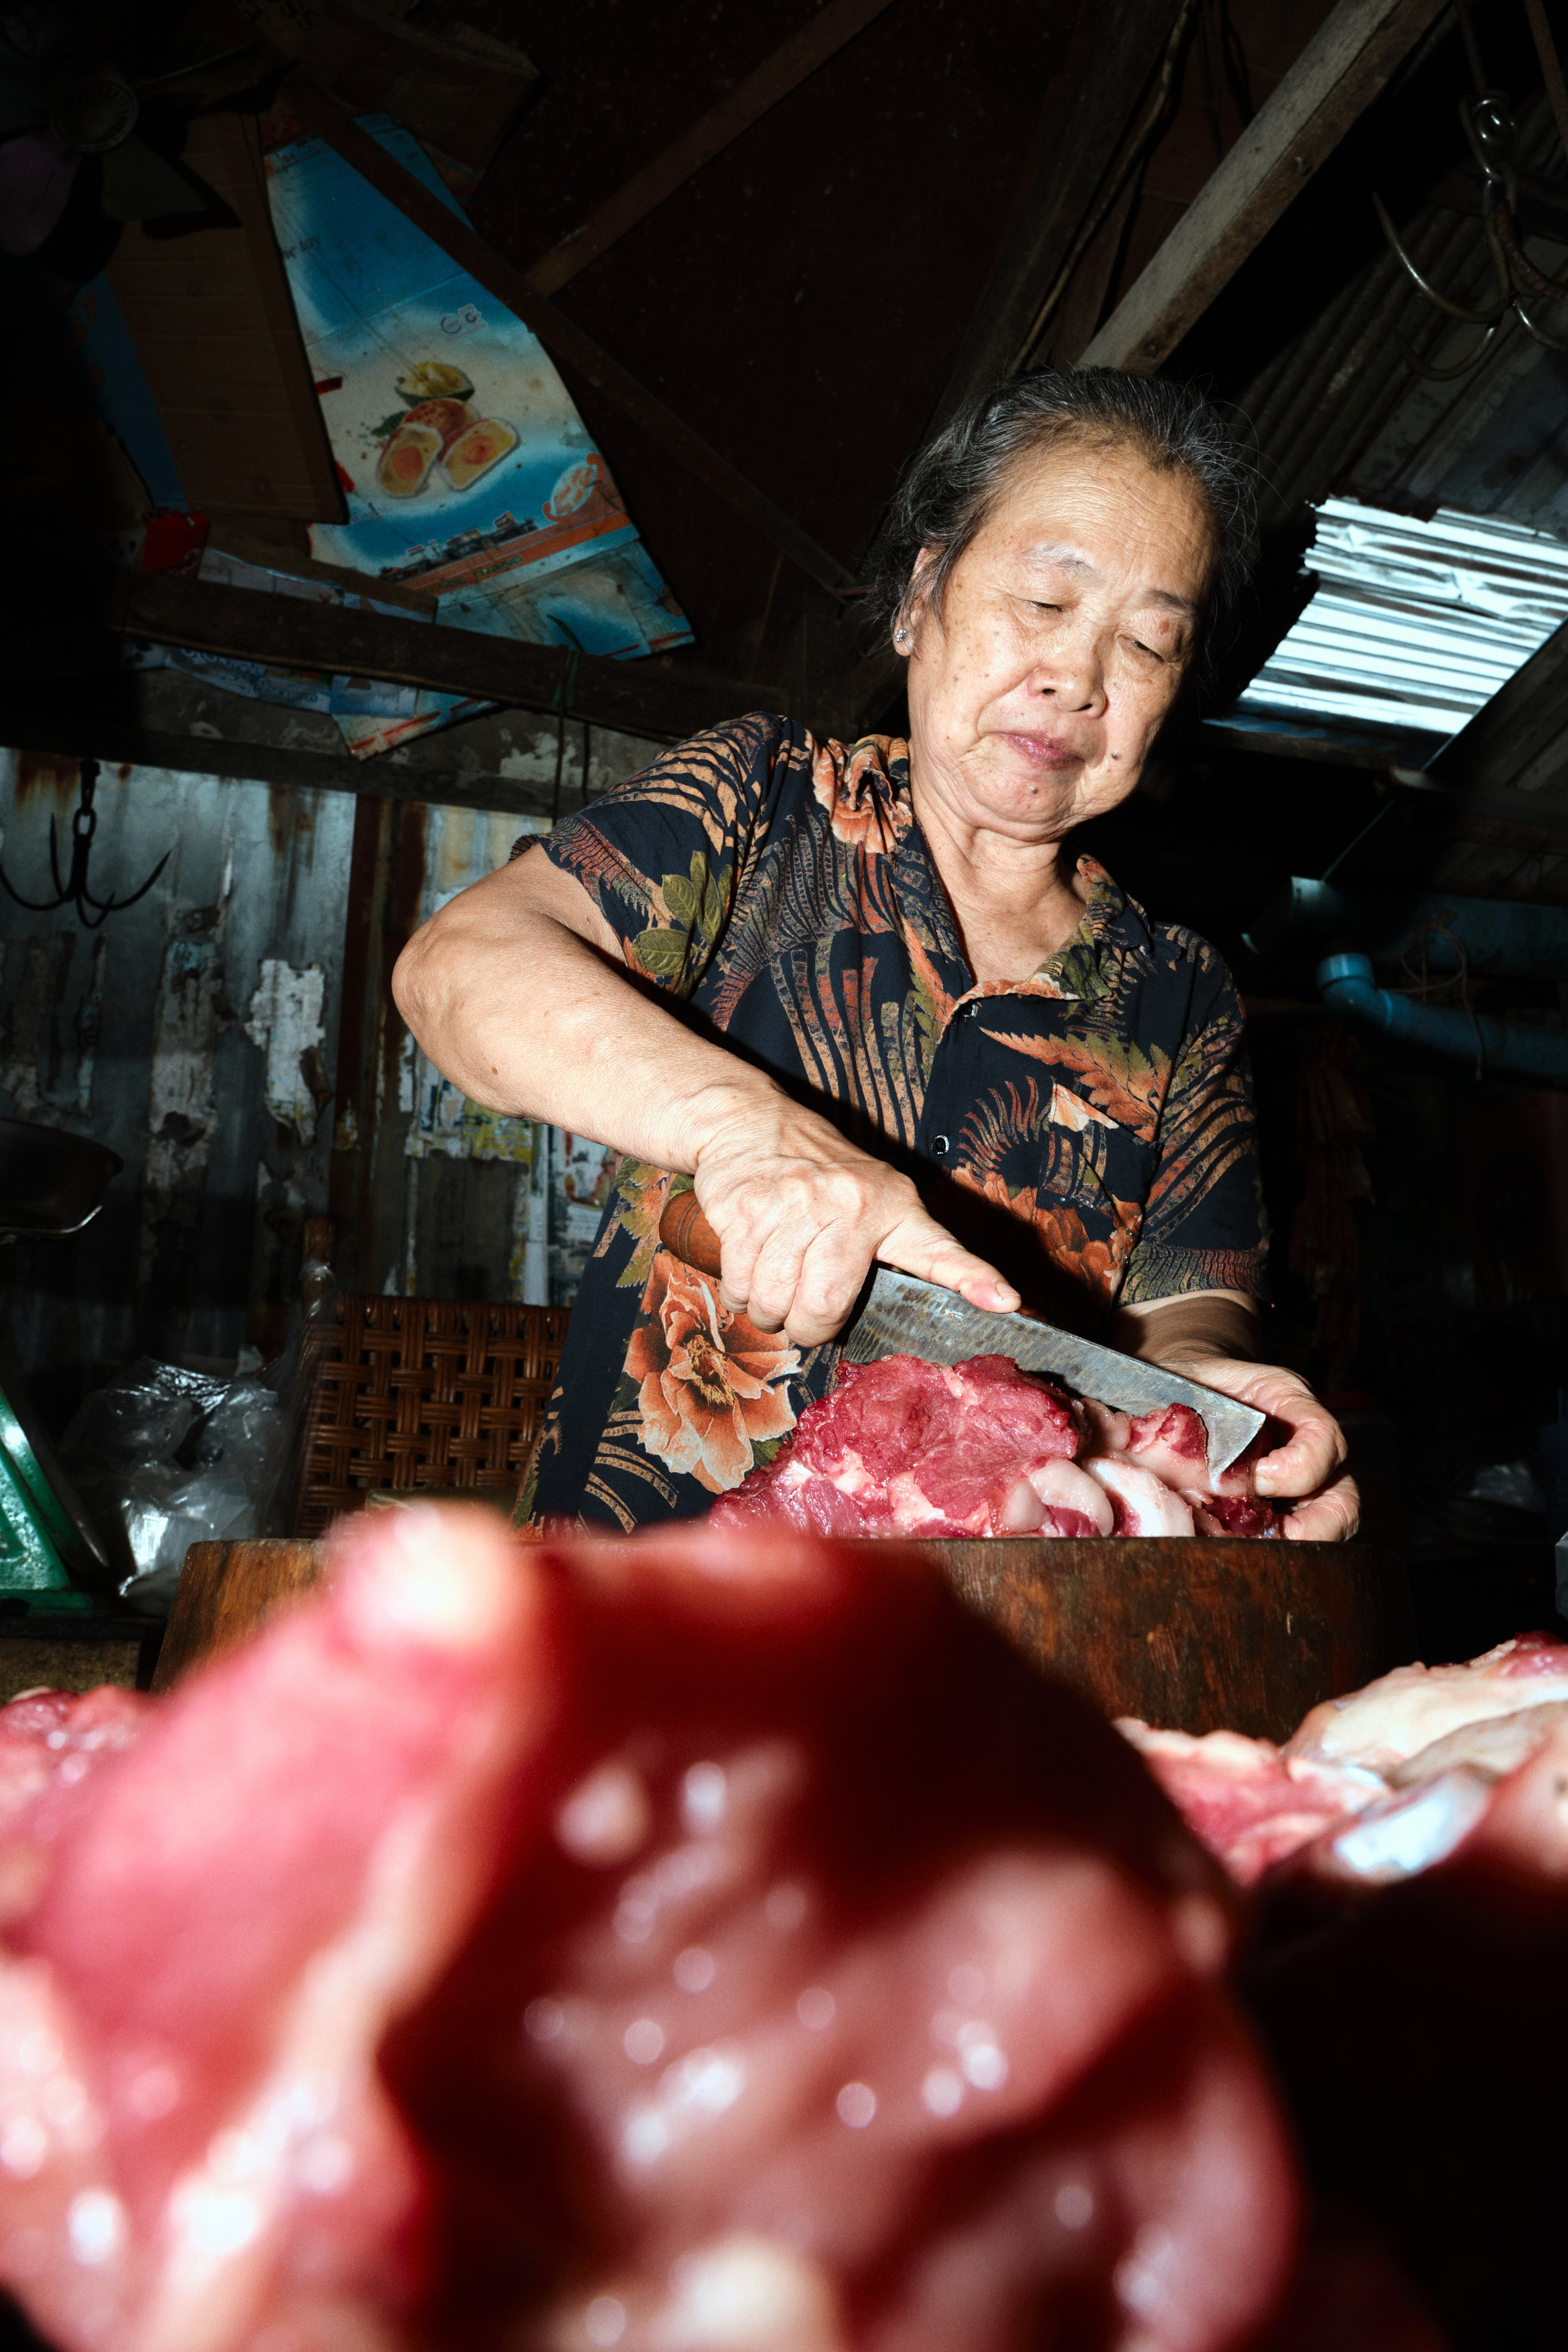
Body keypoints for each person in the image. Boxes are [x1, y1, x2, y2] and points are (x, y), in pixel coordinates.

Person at [393, 369, 1359, 1542]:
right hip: (642, 1606)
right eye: (1045, 604)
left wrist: (1221, 1407)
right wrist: (747, 1132)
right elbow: (463, 964)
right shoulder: (763, 805)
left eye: (1149, 644)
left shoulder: (1178, 990)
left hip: (990, 1650)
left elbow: (1186, 1315)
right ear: (921, 594)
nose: (1078, 681)